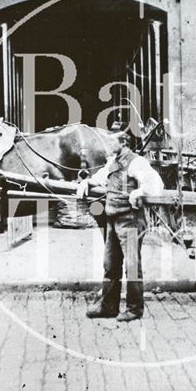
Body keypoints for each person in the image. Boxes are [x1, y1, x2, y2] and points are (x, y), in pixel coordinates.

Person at [77, 126, 164, 322]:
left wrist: (139, 192)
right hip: (113, 219)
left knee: (132, 266)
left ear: (123, 143)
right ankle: (108, 306)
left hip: (130, 220)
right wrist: (87, 183)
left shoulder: (137, 162)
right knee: (110, 264)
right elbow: (101, 177)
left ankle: (135, 309)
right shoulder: (112, 162)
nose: (106, 146)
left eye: (110, 142)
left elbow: (155, 184)